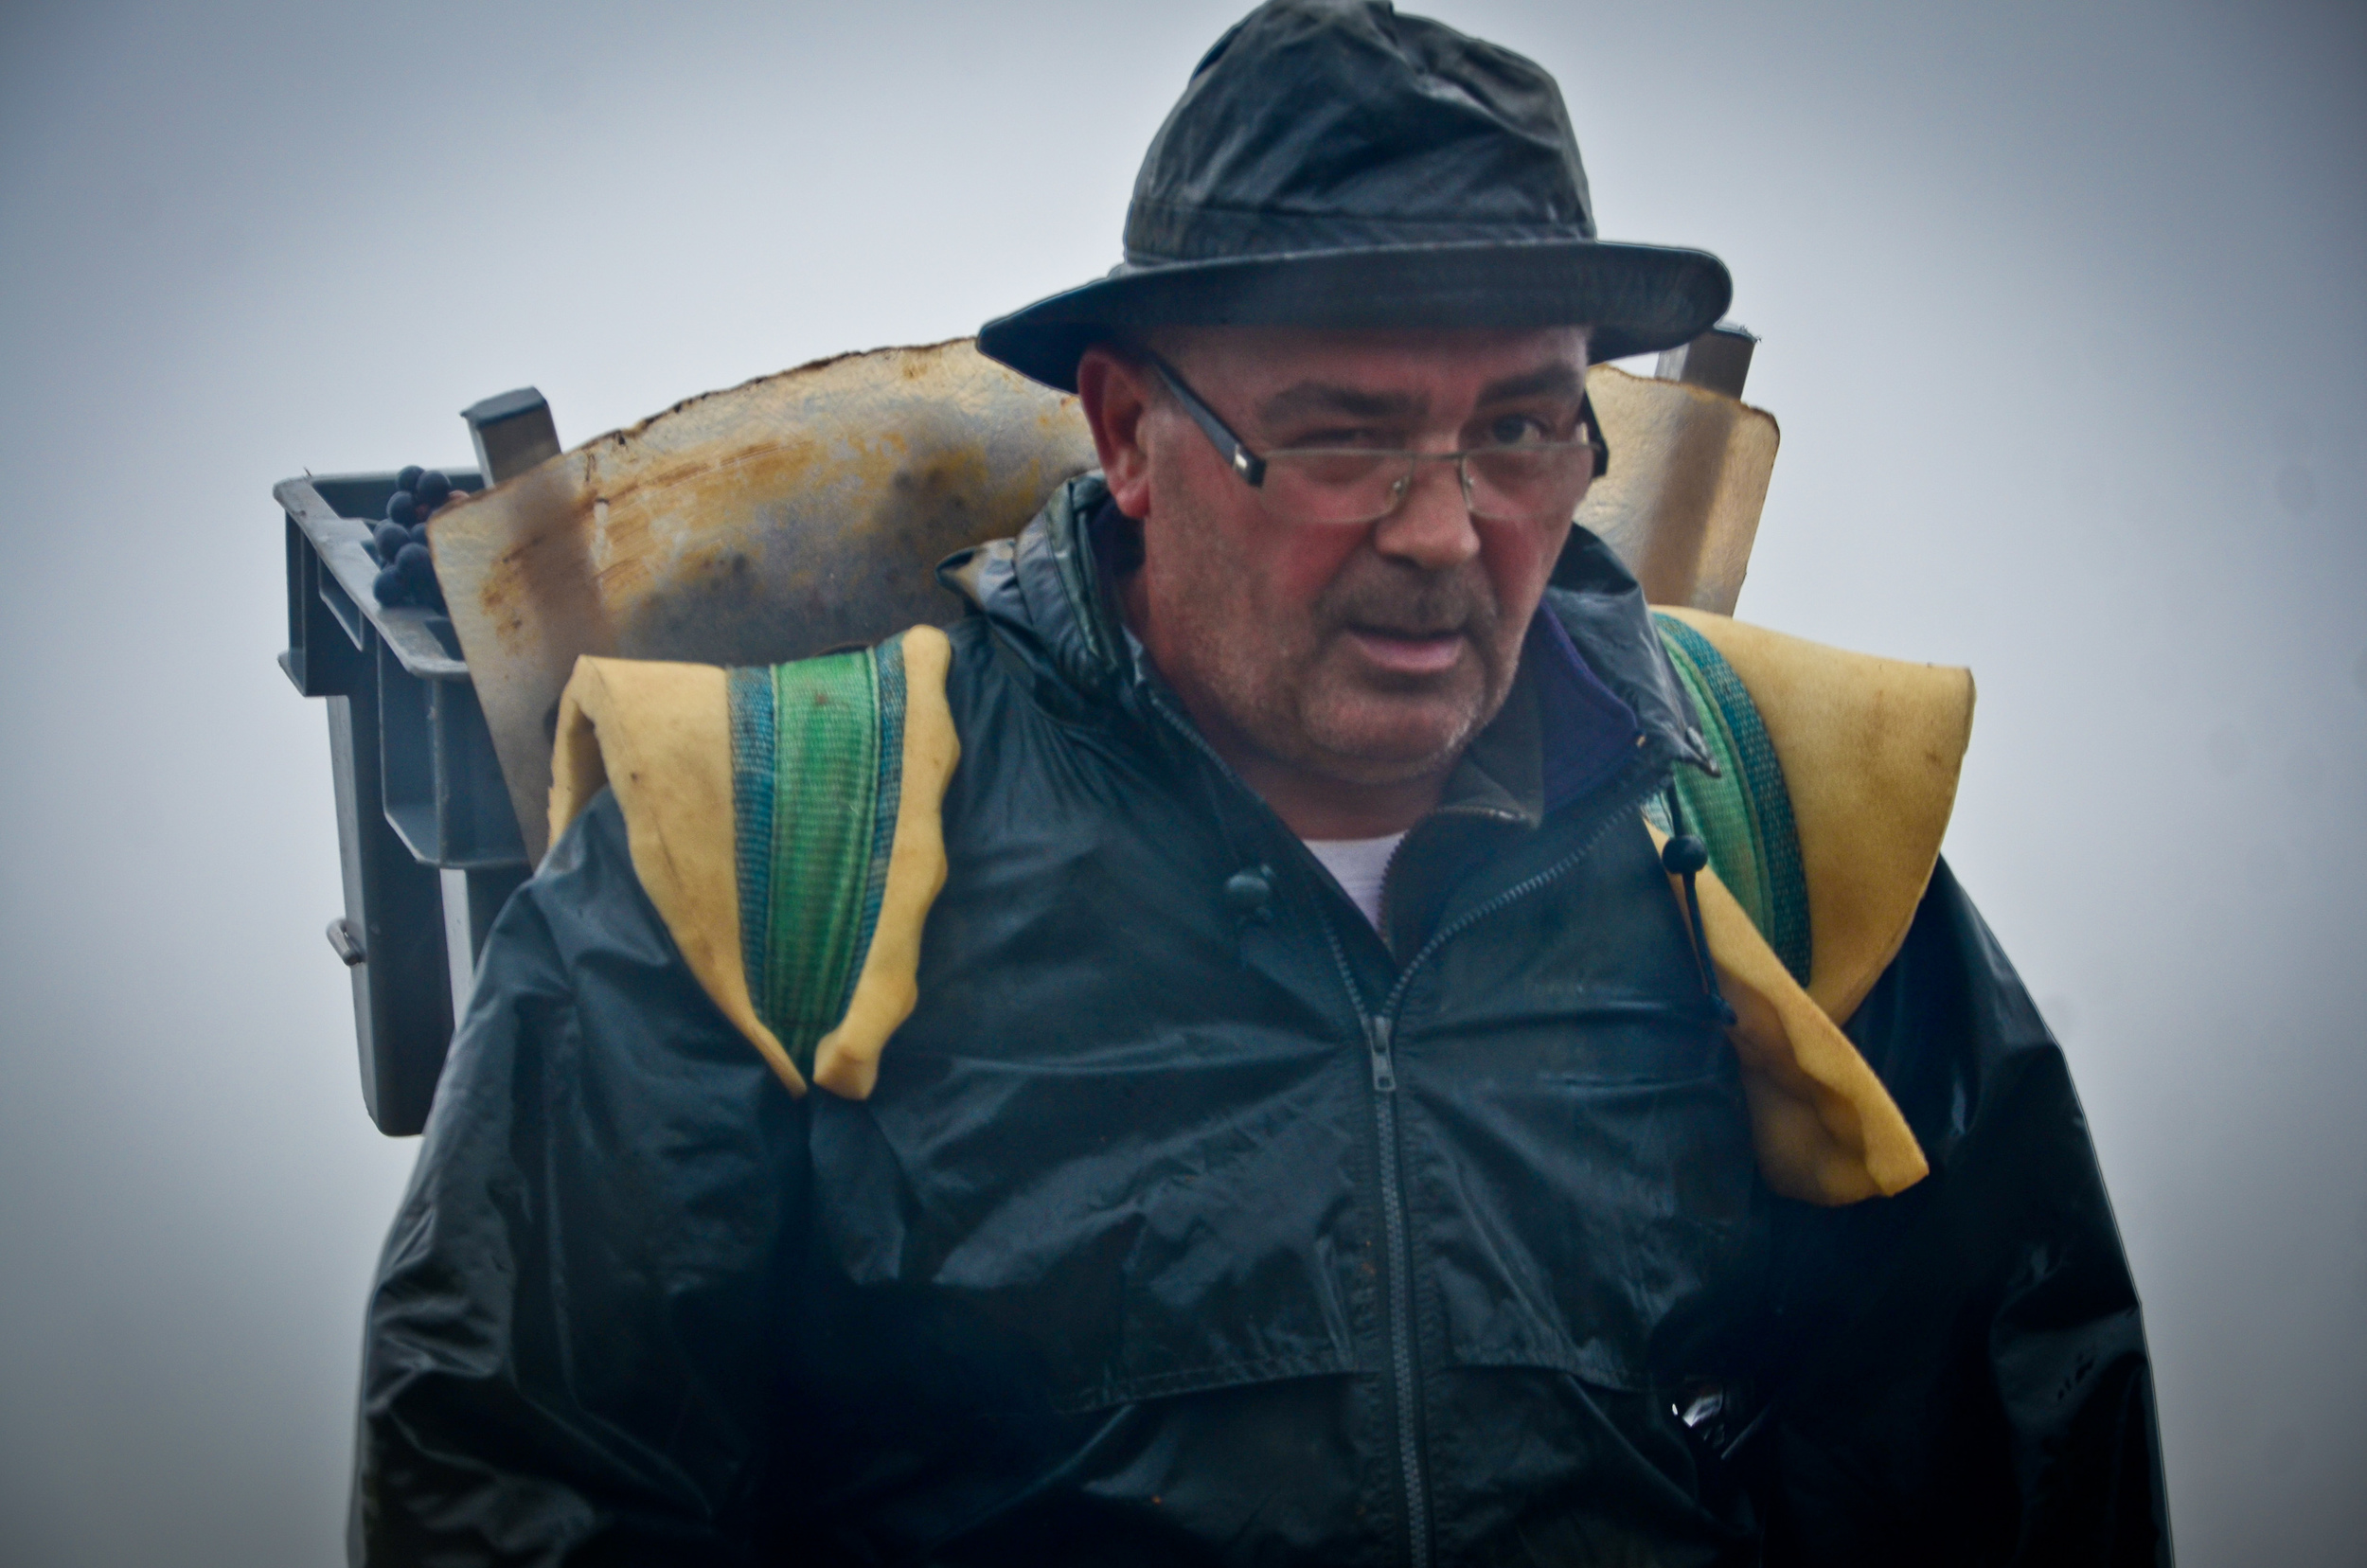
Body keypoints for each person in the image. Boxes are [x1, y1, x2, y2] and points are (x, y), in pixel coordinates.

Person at [352, 3, 2170, 1562]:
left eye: (1524, 429)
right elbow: (528, 1496)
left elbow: (2025, 1465)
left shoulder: (1791, 842)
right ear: (1132, 434)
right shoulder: (752, 863)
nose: (1448, 532)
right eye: (1341, 435)